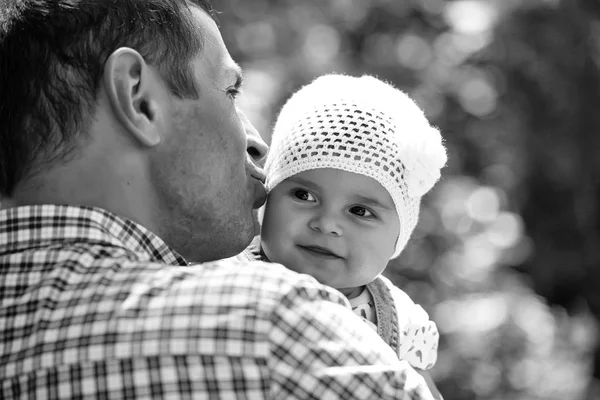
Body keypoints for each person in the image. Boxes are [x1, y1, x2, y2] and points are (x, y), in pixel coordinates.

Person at [0, 1, 435, 399]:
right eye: (230, 93)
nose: (257, 144)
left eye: (361, 210)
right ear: (139, 99)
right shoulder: (275, 329)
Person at [238, 74, 447, 398]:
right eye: (304, 195)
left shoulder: (399, 321)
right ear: (269, 194)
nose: (326, 224)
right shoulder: (230, 278)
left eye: (360, 212)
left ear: (398, 236)